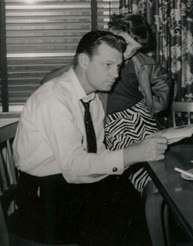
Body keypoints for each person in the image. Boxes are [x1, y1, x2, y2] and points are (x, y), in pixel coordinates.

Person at [13, 30, 167, 246]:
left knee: (130, 197)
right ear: (84, 61)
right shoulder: (54, 99)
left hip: (68, 182)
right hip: (42, 193)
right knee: (114, 217)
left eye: (119, 66)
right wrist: (132, 154)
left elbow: (97, 153)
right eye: (108, 65)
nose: (116, 74)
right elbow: (74, 166)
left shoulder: (91, 99)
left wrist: (132, 153)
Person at [104, 13, 171, 197]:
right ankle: (153, 203)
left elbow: (163, 79)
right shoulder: (97, 57)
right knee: (144, 173)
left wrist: (154, 105)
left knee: (164, 161)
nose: (128, 53)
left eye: (135, 49)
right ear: (112, 32)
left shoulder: (139, 62)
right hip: (112, 123)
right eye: (125, 44)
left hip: (139, 115)